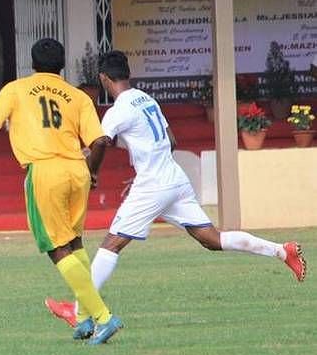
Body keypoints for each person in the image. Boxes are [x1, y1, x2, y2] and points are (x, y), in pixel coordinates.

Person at [45, 50, 307, 330]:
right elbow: (171, 140)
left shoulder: (118, 109)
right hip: (174, 178)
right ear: (128, 74)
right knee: (212, 238)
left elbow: (99, 142)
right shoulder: (147, 99)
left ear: (103, 78)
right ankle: (282, 250)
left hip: (153, 185)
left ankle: (77, 310)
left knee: (112, 243)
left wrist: (89, 171)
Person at [0, 38, 122, 345]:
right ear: (61, 66)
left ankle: (103, 317)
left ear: (32, 64)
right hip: (76, 171)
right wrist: (92, 171)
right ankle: (84, 318)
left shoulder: (15, 89)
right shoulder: (77, 96)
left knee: (57, 249)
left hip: (45, 172)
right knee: (74, 243)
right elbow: (99, 142)